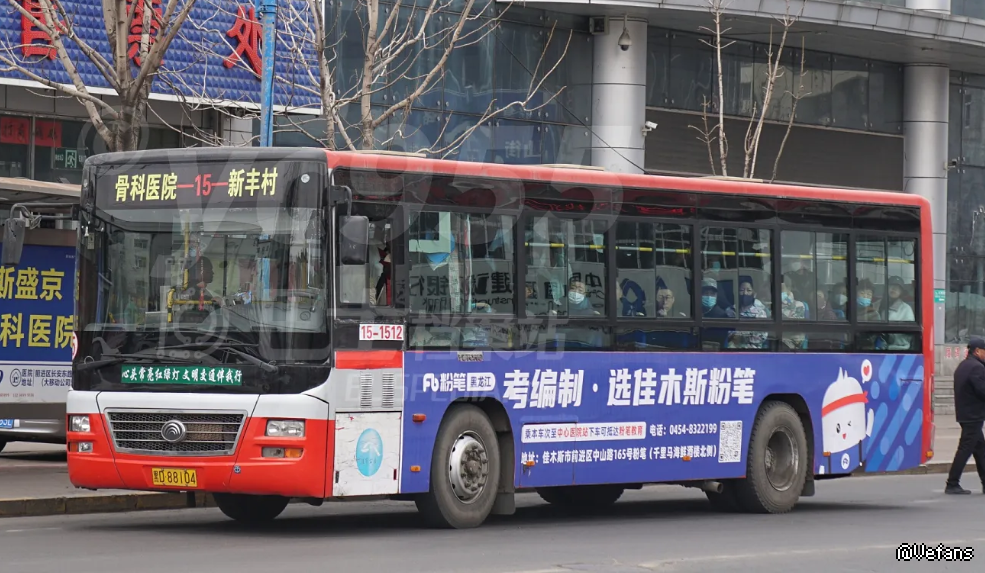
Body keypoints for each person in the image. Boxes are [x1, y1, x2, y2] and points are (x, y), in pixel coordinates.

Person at [944, 338, 985, 495]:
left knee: (980, 450)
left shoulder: (964, 365)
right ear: (977, 351)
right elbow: (982, 391)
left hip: (966, 414)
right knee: (965, 449)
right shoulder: (976, 368)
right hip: (973, 415)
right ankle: (952, 483)